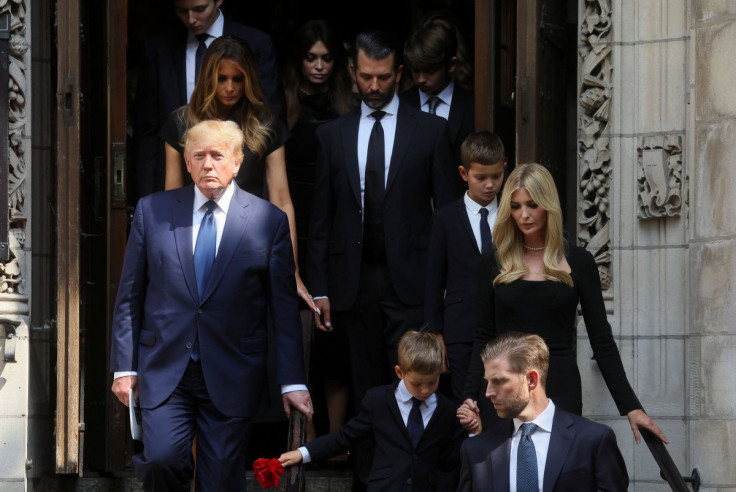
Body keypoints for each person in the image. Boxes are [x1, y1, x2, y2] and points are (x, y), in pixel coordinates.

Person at [109, 120, 312, 491]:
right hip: (165, 366)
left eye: (217, 156)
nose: (207, 164)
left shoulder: (268, 221)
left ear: (237, 162)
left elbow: (283, 311)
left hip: (233, 368)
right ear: (186, 162)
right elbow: (129, 296)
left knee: (219, 479)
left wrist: (292, 381)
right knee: (161, 461)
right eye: (198, 156)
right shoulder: (153, 212)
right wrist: (124, 366)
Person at [305, 29, 459, 488]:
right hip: (352, 285)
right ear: (353, 73)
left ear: (401, 75)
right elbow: (320, 220)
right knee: (368, 393)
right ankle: (367, 482)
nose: (374, 86)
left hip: (411, 284)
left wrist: (446, 288)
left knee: (417, 388)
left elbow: (448, 216)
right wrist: (321, 288)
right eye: (366, 77)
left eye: (384, 77)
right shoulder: (332, 135)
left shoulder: (430, 131)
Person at [463, 163, 668, 444]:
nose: (524, 215)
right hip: (504, 386)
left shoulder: (579, 262)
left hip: (559, 386)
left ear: (548, 205)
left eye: (533, 205)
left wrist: (631, 406)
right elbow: (483, 337)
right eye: (516, 206)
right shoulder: (494, 261)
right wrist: (469, 395)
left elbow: (601, 339)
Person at [160, 35, 314, 308]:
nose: (230, 87)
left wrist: (293, 271)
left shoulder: (264, 124)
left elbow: (281, 199)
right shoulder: (182, 122)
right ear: (208, 77)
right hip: (194, 238)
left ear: (249, 79)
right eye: (221, 78)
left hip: (247, 240)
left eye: (238, 79)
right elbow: (172, 197)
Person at [281, 19, 356, 446]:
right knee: (296, 329)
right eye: (311, 57)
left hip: (334, 230)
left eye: (327, 58)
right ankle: (304, 430)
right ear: (299, 59)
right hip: (293, 224)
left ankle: (338, 435)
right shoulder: (284, 104)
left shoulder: (348, 105)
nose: (319, 66)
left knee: (334, 338)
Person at [278, 331, 477, 491]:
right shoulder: (378, 401)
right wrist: (303, 453)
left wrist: (471, 433)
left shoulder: (447, 409)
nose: (425, 390)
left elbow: (449, 459)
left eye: (432, 382)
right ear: (400, 372)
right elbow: (345, 437)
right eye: (417, 384)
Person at [132, 0, 285, 200]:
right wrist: (148, 202)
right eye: (182, 11)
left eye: (199, 9)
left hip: (248, 184)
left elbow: (270, 126)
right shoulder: (159, 48)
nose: (191, 19)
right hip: (178, 179)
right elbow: (148, 132)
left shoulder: (256, 43)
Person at [457, 332, 629, 491]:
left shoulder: (593, 440)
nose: (488, 393)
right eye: (487, 382)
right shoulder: (476, 450)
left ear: (531, 380)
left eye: (498, 381)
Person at [424, 131, 507, 405]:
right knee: (466, 404)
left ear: (504, 169)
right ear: (463, 173)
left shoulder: (512, 215)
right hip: (460, 330)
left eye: (496, 176)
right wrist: (437, 334)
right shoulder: (445, 217)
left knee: (502, 403)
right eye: (480, 177)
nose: (489, 185)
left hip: (503, 328)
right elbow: (434, 280)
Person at [401, 15, 474, 173]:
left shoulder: (472, 106)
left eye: (430, 70)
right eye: (415, 70)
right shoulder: (400, 105)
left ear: (451, 65)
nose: (421, 79)